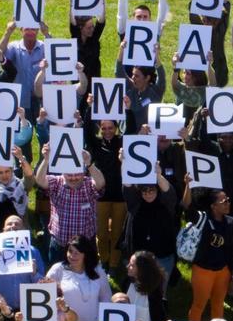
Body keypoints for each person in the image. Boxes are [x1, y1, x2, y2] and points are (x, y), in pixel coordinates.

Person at [34, 140, 104, 265]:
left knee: (88, 276)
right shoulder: (56, 182)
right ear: (62, 173)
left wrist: (89, 164)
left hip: (85, 245)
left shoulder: (89, 184)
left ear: (83, 172)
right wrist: (46, 160)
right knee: (58, 279)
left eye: (77, 174)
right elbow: (40, 180)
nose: (73, 178)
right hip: (60, 244)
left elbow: (101, 183)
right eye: (69, 174)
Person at [180, 183, 233, 321]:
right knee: (199, 305)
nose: (227, 203)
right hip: (203, 271)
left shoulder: (232, 222)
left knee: (218, 306)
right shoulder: (202, 219)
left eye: (228, 200)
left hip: (222, 272)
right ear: (213, 206)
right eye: (223, 201)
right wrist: (188, 185)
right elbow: (186, 206)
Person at [121, 165, 179, 284]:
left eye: (151, 190)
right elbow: (127, 186)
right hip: (139, 257)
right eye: (144, 191)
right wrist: (125, 164)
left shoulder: (166, 204)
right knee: (139, 286)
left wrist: (158, 175)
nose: (148, 194)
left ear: (157, 190)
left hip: (163, 256)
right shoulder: (135, 204)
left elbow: (169, 192)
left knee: (160, 289)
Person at [87, 118, 125, 270]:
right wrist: (89, 108)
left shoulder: (122, 142)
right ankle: (103, 260)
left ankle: (114, 263)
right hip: (101, 195)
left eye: (111, 128)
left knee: (117, 233)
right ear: (100, 129)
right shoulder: (96, 144)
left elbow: (132, 127)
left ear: (116, 128)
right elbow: (87, 131)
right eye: (104, 128)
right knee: (101, 233)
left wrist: (127, 110)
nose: (107, 131)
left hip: (120, 196)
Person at [0, 17, 53, 122]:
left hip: (43, 99)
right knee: (24, 134)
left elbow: (56, 55)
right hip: (22, 99)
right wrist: (8, 31)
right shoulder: (14, 47)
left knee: (45, 133)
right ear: (21, 30)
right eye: (27, 29)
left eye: (33, 29)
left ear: (38, 30)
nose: (30, 32)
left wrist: (46, 34)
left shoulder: (44, 46)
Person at [188, 0, 230, 87]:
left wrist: (225, 1)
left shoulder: (220, 31)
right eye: (204, 21)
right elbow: (193, 17)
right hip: (201, 74)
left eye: (208, 21)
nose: (205, 23)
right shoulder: (200, 27)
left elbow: (225, 16)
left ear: (215, 22)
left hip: (219, 72)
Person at [70, 7, 106, 81]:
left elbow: (101, 22)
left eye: (92, 26)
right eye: (89, 28)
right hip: (78, 81)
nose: (92, 29)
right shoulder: (75, 37)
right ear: (80, 28)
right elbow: (72, 19)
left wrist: (103, 0)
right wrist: (71, 4)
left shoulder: (94, 37)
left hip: (94, 80)